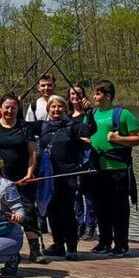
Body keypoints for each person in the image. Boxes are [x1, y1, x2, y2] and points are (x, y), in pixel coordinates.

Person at [0, 94, 48, 264]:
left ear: (18, 109)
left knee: (28, 212)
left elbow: (33, 152)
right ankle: (0, 246)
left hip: (22, 179)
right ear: (0, 108)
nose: (10, 110)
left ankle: (35, 250)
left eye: (13, 107)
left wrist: (29, 172)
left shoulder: (25, 128)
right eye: (7, 107)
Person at [83, 79, 139, 257]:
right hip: (96, 169)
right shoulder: (91, 114)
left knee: (119, 208)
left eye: (98, 93)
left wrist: (119, 139)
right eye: (94, 93)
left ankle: (121, 245)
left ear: (108, 96)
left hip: (118, 169)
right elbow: (83, 132)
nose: (94, 96)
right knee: (101, 207)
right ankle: (104, 242)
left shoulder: (123, 114)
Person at [37, 95, 90, 260]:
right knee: (52, 210)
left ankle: (72, 247)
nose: (56, 110)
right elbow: (20, 125)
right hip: (49, 176)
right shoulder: (43, 127)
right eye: (53, 107)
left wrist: (89, 111)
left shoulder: (73, 126)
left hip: (68, 174)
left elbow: (90, 130)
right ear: (48, 110)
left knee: (67, 211)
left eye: (60, 107)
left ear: (65, 109)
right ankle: (58, 245)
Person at [68, 83, 97, 240]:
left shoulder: (89, 114)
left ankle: (91, 224)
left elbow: (94, 133)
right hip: (72, 158)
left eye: (78, 94)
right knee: (75, 193)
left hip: (88, 158)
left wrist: (89, 111)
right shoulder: (66, 116)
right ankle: (79, 223)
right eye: (72, 94)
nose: (75, 97)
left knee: (89, 193)